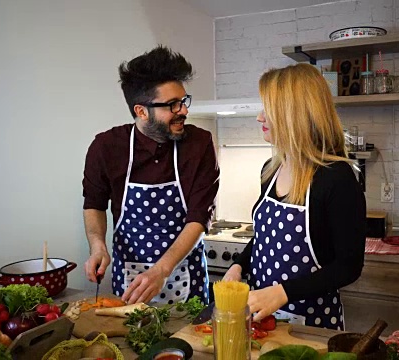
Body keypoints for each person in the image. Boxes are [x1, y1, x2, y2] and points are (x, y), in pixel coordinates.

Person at [223, 63, 366, 330]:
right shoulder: (271, 170)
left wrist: (281, 292)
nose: (259, 117)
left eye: (268, 109)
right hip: (262, 321)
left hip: (310, 325)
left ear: (293, 114)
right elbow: (265, 238)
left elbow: (349, 266)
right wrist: (238, 267)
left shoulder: (336, 177)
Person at [82, 46, 219, 305]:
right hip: (129, 283)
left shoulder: (200, 144)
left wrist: (161, 270)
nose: (184, 110)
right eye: (172, 105)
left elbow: (199, 217)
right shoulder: (106, 147)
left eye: (183, 101)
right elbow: (94, 204)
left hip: (186, 279)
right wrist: (97, 245)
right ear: (141, 111)